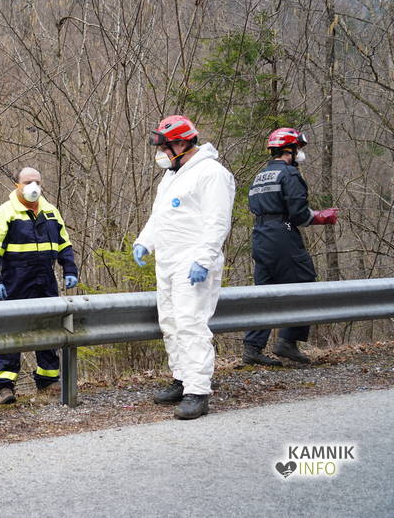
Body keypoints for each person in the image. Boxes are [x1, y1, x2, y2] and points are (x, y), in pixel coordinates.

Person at [133, 115, 235, 420]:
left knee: (191, 324)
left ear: (181, 144)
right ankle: (181, 378)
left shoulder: (212, 174)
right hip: (168, 261)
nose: (161, 153)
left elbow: (217, 222)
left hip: (193, 263)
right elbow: (160, 217)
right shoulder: (172, 176)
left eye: (165, 147)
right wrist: (144, 242)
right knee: (170, 323)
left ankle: (198, 391)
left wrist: (203, 260)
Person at [0, 167, 79, 404]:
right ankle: (3, 386)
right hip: (16, 279)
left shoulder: (50, 212)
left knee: (48, 327)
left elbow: (64, 244)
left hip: (45, 278)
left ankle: (48, 381)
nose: (33, 186)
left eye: (37, 181)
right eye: (27, 182)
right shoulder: (4, 213)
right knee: (12, 330)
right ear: (17, 185)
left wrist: (69, 269)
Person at [242, 128, 338, 366]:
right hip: (282, 236)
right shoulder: (289, 174)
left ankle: (252, 348)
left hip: (260, 236)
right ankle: (288, 341)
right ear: (289, 150)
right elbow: (299, 214)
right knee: (304, 284)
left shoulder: (261, 175)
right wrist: (321, 217)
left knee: (264, 292)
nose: (299, 153)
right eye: (297, 148)